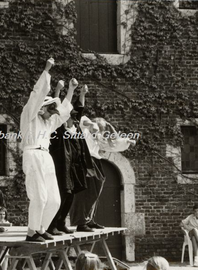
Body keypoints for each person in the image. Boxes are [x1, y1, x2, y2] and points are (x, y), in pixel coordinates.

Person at [20, 58, 75, 242]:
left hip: (45, 157)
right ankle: (31, 233)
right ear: (41, 107)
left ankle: (41, 229)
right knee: (39, 197)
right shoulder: (30, 117)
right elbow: (36, 96)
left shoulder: (47, 123)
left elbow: (63, 114)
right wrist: (46, 70)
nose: (52, 113)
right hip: (33, 154)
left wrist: (71, 91)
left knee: (54, 200)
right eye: (49, 109)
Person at [70, 116, 134, 232]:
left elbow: (112, 145)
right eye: (101, 129)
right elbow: (83, 120)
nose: (100, 132)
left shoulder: (98, 138)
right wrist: (92, 125)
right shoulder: (84, 130)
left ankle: (89, 220)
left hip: (94, 161)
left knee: (94, 192)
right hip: (84, 161)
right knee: (85, 192)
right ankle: (81, 222)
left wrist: (127, 141)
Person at [48, 85, 91, 235]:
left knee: (70, 195)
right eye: (68, 118)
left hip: (74, 167)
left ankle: (60, 223)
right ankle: (51, 225)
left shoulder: (75, 129)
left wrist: (82, 94)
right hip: (61, 167)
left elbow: (79, 109)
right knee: (61, 195)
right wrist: (58, 91)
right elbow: (59, 107)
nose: (71, 120)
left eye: (72, 118)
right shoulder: (58, 130)